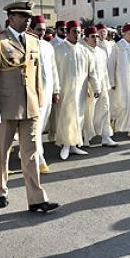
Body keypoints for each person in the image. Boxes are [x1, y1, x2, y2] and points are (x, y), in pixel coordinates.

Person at [0, 0, 58, 212]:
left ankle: (36, 198)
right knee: (1, 152)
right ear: (11, 17)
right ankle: (0, 190)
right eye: (24, 16)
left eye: (29, 17)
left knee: (31, 153)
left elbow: (36, 75)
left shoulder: (33, 41)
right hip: (5, 107)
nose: (28, 20)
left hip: (30, 105)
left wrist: (40, 101)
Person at [53, 20, 100, 160]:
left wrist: (96, 87)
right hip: (64, 90)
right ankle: (65, 145)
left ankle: (74, 145)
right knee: (65, 117)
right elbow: (53, 71)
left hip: (80, 91)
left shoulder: (84, 51)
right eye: (74, 31)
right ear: (67, 32)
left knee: (78, 117)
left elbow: (92, 72)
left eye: (79, 32)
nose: (77, 35)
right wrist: (55, 90)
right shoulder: (58, 49)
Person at [31, 15, 60, 173]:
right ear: (31, 29)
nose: (42, 33)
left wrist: (56, 90)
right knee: (34, 127)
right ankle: (39, 158)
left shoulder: (48, 46)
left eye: (43, 30)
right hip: (32, 94)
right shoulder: (25, 44)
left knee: (40, 126)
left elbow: (53, 69)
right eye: (38, 30)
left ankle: (28, 153)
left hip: (48, 93)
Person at [81, 26, 117, 147]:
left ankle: (106, 137)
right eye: (93, 36)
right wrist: (87, 87)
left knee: (105, 110)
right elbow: (85, 73)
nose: (96, 39)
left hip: (102, 86)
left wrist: (107, 85)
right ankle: (85, 138)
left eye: (97, 36)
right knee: (88, 113)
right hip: (89, 88)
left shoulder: (101, 52)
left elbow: (105, 71)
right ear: (86, 38)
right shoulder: (83, 51)